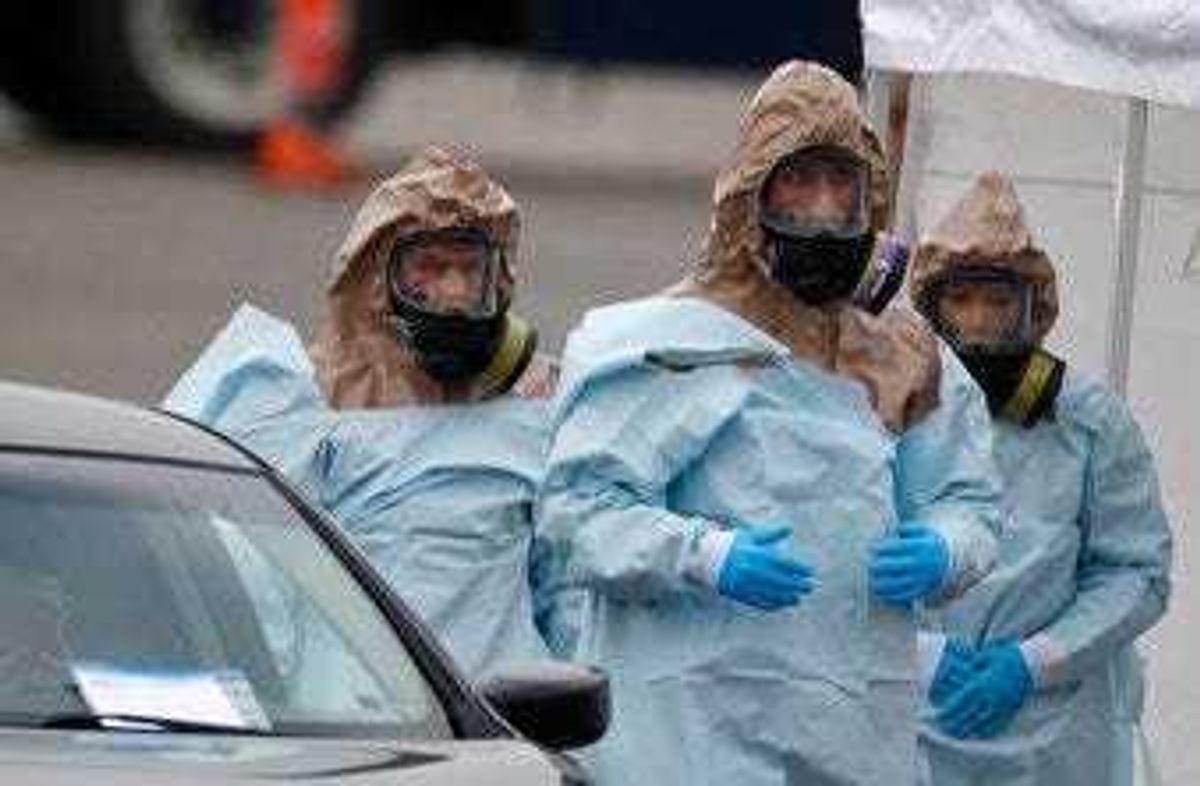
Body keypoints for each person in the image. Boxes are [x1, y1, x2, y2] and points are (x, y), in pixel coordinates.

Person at [536, 60, 1002, 786]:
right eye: (798, 186)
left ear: (869, 200)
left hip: (852, 728)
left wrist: (946, 547)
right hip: (692, 731)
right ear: (753, 199)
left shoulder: (905, 355)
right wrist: (703, 555)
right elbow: (579, 516)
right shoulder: (667, 342)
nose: (821, 212)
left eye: (840, 188)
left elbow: (968, 499)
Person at [165, 145, 556, 678]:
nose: (457, 292)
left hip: (493, 715)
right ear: (376, 278)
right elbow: (216, 567)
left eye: (472, 269)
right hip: (347, 707)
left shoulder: (535, 411)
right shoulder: (280, 402)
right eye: (432, 267)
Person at [908, 171, 1173, 785]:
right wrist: (922, 655)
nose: (978, 322)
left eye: (998, 302)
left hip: (1056, 740)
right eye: (961, 300)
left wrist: (1031, 663)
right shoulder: (893, 412)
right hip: (919, 720)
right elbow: (846, 563)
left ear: (1035, 310)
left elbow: (1138, 573)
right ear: (930, 307)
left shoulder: (1089, 422)